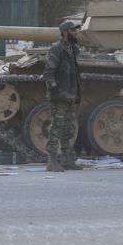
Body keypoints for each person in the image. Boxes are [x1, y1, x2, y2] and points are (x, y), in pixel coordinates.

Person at [42, 20, 83, 172]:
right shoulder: (56, 49)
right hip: (60, 96)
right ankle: (51, 162)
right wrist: (55, 89)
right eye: (73, 30)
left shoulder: (72, 49)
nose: (76, 32)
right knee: (56, 128)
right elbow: (48, 72)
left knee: (69, 129)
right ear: (65, 32)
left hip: (70, 95)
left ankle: (67, 160)